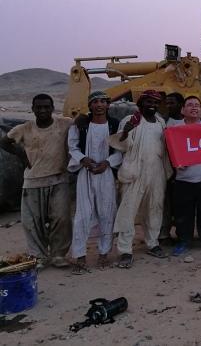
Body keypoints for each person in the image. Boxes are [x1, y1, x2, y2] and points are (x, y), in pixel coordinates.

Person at [0, 94, 72, 268]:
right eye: (38, 107)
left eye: (46, 107)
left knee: (61, 219)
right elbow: (4, 141)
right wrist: (21, 156)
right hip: (33, 181)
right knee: (32, 222)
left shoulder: (64, 123)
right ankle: (38, 256)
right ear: (32, 109)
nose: (42, 110)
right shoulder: (24, 128)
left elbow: (83, 121)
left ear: (52, 108)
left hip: (58, 179)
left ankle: (58, 255)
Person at [111, 90, 172, 268]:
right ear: (141, 103)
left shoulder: (160, 122)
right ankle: (124, 250)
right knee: (128, 210)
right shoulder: (131, 120)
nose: (152, 105)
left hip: (157, 172)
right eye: (148, 101)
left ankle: (152, 243)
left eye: (155, 102)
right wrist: (125, 132)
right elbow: (121, 145)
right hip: (135, 171)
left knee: (155, 207)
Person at [68, 91, 122, 273]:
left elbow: (120, 151)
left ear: (108, 105)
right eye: (95, 101)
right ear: (90, 106)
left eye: (103, 101)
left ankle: (104, 254)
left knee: (107, 213)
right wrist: (83, 160)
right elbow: (72, 147)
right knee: (82, 216)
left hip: (105, 174)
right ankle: (80, 257)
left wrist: (107, 163)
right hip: (86, 174)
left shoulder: (114, 124)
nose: (99, 105)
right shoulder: (81, 125)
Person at [170, 96, 201, 256]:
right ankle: (184, 241)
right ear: (182, 110)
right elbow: (169, 152)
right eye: (190, 105)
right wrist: (175, 162)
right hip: (184, 180)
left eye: (197, 105)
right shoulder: (174, 129)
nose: (194, 108)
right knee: (183, 214)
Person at [160, 92, 185, 242]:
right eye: (167, 103)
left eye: (172, 103)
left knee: (182, 204)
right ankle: (164, 234)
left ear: (181, 104)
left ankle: (183, 233)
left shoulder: (189, 123)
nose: (169, 106)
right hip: (167, 170)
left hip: (186, 171)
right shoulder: (163, 123)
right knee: (166, 203)